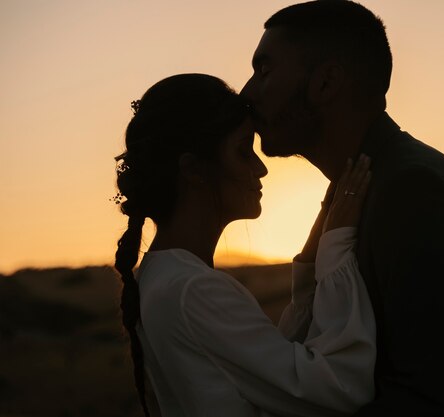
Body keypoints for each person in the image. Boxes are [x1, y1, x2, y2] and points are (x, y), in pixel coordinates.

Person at [240, 1, 444, 416]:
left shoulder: (415, 190)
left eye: (264, 70)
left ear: (326, 82)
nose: (247, 92)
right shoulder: (356, 189)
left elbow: (425, 400)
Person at [113, 73, 376, 417]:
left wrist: (312, 263)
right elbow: (337, 388)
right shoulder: (193, 288)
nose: (260, 168)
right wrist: (338, 246)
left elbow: (266, 367)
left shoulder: (159, 275)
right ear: (193, 169)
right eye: (243, 151)